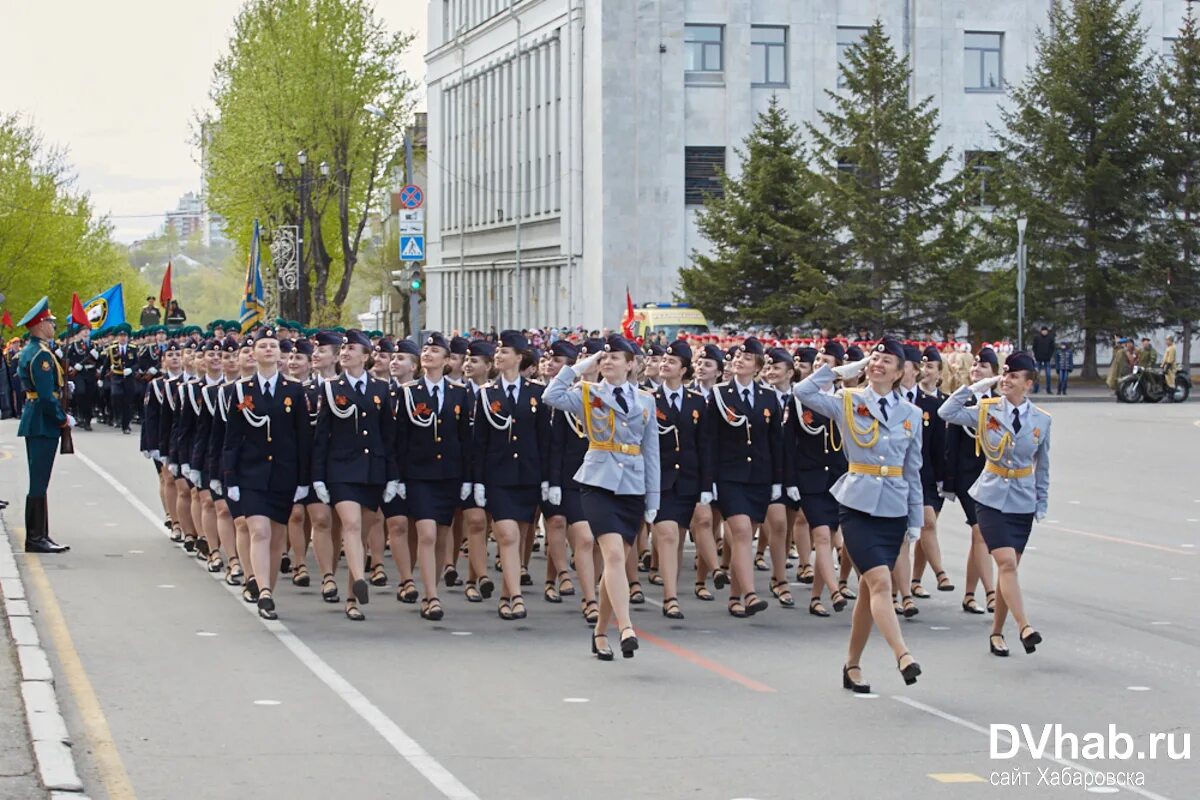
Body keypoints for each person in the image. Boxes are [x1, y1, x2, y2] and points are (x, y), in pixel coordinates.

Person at [793, 337, 924, 691]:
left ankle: (852, 665)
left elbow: (913, 471)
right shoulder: (847, 400)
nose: (878, 363)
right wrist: (838, 372)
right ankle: (903, 655)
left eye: (887, 360)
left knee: (869, 592)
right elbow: (803, 392)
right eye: (875, 357)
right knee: (882, 582)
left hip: (894, 508)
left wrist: (916, 520)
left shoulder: (911, 414)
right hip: (858, 505)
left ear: (899, 373)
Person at [544, 334, 660, 660]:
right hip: (598, 482)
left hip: (632, 487)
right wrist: (579, 368)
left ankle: (599, 634)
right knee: (612, 556)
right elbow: (550, 394)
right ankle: (626, 627)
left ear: (631, 364)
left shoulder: (646, 400)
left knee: (616, 563)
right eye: (604, 358)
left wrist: (653, 501)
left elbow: (652, 453)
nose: (607, 362)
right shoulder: (587, 393)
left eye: (615, 357)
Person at [939, 352, 1051, 658]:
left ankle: (997, 632)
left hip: (1022, 501)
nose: (1007, 380)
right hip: (989, 497)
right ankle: (1025, 626)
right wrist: (977, 386)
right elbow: (946, 412)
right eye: (1005, 374)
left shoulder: (1042, 420)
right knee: (1006, 564)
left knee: (1008, 571)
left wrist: (1041, 501)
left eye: (1014, 376)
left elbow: (1042, 466)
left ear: (1028, 384)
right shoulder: (986, 409)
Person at [222, 327, 313, 620]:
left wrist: (303, 480)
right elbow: (232, 438)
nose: (269, 350)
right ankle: (262, 589)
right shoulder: (240, 390)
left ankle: (268, 589)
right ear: (253, 354)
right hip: (251, 473)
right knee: (258, 530)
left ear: (280, 355)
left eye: (273, 346)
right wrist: (230, 477)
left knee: (276, 536)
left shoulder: (294, 390)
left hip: (284, 475)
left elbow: (303, 439)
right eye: (263, 346)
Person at [311, 329, 397, 621]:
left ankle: (352, 598)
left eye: (351, 349)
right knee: (350, 523)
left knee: (359, 534)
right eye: (344, 348)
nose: (345, 353)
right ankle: (360, 578)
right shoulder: (331, 388)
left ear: (366, 356)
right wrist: (319, 477)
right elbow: (322, 436)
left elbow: (388, 437)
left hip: (373, 470)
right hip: (341, 469)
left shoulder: (381, 389)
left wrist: (393, 477)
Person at [393, 332, 474, 622]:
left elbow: (466, 438)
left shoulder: (459, 393)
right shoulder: (408, 392)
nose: (428, 354)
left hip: (449, 475)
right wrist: (397, 477)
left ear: (447, 359)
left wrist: (467, 478)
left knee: (442, 537)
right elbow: (399, 438)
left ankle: (431, 589)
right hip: (418, 474)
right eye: (425, 351)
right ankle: (431, 595)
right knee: (425, 533)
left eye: (435, 351)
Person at [472, 330, 551, 621]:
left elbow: (545, 440)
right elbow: (479, 442)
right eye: (498, 352)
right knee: (506, 535)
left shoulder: (537, 394)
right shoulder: (486, 394)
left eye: (505, 352)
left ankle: (507, 594)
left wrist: (547, 478)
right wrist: (478, 481)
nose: (499, 356)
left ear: (519, 357)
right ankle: (516, 598)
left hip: (528, 476)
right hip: (498, 476)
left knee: (518, 540)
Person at [703, 336, 782, 619]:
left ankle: (735, 597)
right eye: (737, 356)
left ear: (758, 366)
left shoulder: (769, 397)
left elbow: (776, 443)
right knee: (740, 531)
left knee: (744, 539)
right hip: (730, 476)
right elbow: (710, 439)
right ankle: (750, 594)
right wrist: (708, 481)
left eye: (747, 358)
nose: (740, 360)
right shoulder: (720, 394)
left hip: (759, 478)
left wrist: (778, 481)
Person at [16, 297, 72, 553]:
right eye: (49, 321)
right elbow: (47, 395)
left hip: (37, 419)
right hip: (42, 422)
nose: (53, 325)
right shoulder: (41, 355)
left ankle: (41, 535)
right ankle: (36, 537)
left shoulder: (37, 350)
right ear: (39, 325)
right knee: (39, 480)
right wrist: (61, 419)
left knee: (41, 480)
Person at [107, 324, 138, 434]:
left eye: (125, 335)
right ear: (117, 337)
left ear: (128, 337)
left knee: (128, 402)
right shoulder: (112, 349)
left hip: (129, 378)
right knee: (116, 395)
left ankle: (126, 425)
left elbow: (137, 363)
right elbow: (107, 363)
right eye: (120, 335)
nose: (122, 338)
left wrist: (131, 369)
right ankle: (117, 415)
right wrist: (101, 378)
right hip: (116, 376)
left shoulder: (133, 349)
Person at [1031, 326, 1054, 394]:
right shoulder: (1037, 338)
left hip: (1047, 359)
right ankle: (1035, 389)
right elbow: (1034, 347)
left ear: (1047, 331)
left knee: (1048, 375)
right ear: (1041, 331)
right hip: (1038, 359)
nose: (1044, 332)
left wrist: (1049, 356)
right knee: (1037, 374)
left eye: (1045, 330)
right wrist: (1036, 355)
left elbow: (1052, 348)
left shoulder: (1050, 338)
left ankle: (1048, 389)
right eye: (1043, 330)